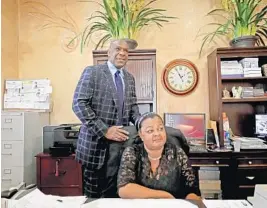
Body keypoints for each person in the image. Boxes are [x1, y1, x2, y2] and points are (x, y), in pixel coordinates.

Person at [72, 39, 140, 198]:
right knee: (94, 199)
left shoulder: (129, 78)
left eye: (126, 51)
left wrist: (144, 123)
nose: (122, 53)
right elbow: (78, 104)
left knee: (116, 198)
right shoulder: (93, 72)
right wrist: (104, 130)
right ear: (109, 52)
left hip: (120, 150)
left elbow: (133, 109)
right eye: (118, 49)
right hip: (95, 149)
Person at [117, 112, 201, 199]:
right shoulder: (133, 152)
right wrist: (164, 195)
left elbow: (191, 189)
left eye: (161, 129)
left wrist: (193, 198)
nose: (157, 134)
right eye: (150, 131)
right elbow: (124, 189)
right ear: (141, 135)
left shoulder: (177, 152)